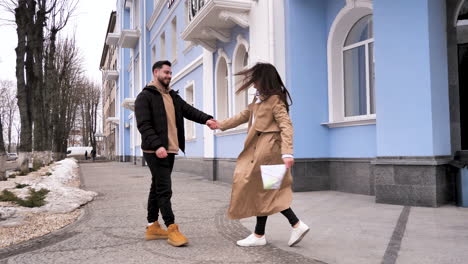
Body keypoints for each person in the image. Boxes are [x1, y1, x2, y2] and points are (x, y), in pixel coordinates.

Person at [208, 62, 309, 247]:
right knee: (267, 191)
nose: (253, 84)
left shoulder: (275, 101)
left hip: (269, 151)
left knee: (263, 190)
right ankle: (286, 227)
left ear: (264, 80)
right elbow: (242, 116)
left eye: (255, 81)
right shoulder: (258, 100)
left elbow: (286, 126)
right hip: (262, 149)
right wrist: (220, 124)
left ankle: (265, 233)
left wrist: (288, 153)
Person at [135, 60, 216, 247]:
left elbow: (189, 110)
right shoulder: (145, 96)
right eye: (166, 72)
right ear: (156, 72)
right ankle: (171, 228)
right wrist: (157, 146)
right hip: (155, 150)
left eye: (170, 73)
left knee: (157, 186)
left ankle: (152, 226)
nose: (169, 76)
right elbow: (144, 125)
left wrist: (207, 120)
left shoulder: (172, 96)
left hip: (169, 149)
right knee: (164, 188)